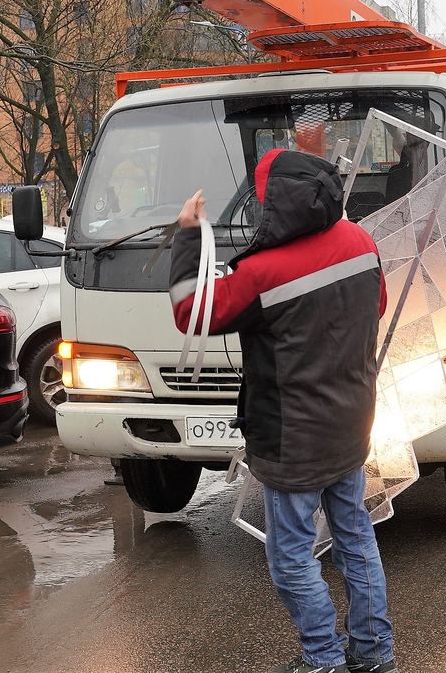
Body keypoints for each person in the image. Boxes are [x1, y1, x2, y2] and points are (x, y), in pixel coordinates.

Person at [170, 150, 397, 673]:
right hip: (351, 423)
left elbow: (190, 311)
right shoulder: (361, 242)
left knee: (291, 557)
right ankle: (373, 654)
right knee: (356, 539)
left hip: (293, 438)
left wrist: (187, 236)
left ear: (275, 204)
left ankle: (322, 658)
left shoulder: (260, 273)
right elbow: (376, 305)